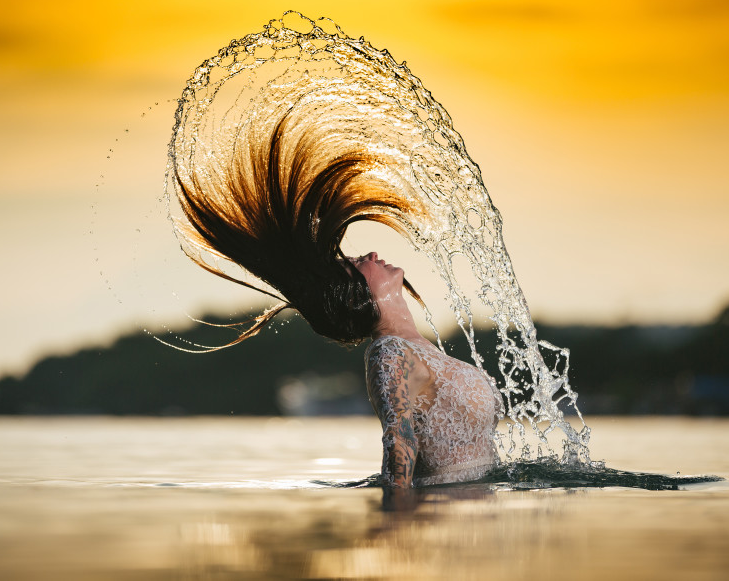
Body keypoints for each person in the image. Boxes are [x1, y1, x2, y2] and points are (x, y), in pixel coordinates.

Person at [170, 112, 503, 501]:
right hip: (443, 520)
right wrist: (394, 528)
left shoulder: (420, 349)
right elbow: (399, 441)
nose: (372, 254)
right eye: (357, 263)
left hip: (479, 522)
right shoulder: (389, 353)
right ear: (355, 294)